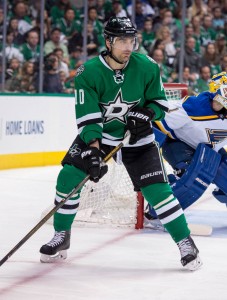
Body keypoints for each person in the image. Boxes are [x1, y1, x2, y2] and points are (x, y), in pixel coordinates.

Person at [39, 17, 202, 271]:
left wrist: (147, 114)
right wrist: (93, 152)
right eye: (122, 41)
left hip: (138, 139)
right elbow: (89, 116)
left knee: (157, 191)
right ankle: (62, 236)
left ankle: (185, 242)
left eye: (131, 40)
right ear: (108, 41)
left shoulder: (147, 66)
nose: (128, 46)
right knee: (69, 176)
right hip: (102, 137)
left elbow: (159, 102)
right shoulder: (88, 72)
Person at [152, 71, 227, 215]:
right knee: (195, 177)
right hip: (178, 145)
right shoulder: (194, 108)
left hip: (208, 151)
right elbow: (157, 125)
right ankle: (158, 210)